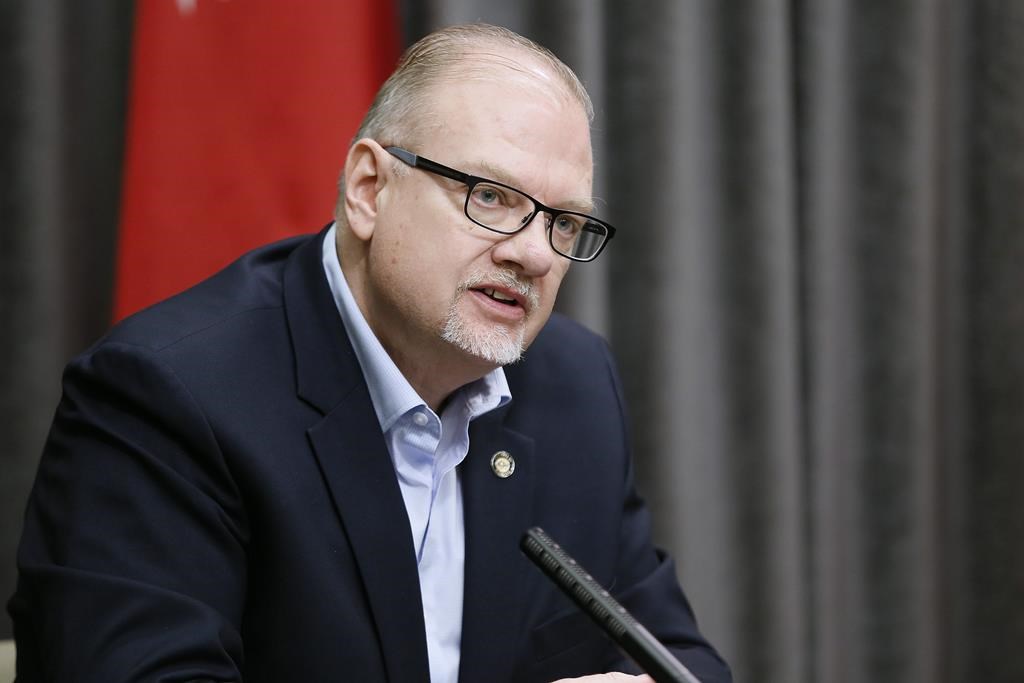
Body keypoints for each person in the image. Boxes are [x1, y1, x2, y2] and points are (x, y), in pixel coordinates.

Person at [8, 23, 732, 683]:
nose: (534, 254)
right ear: (368, 188)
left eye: (565, 221)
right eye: (491, 196)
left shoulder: (573, 386)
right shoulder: (167, 396)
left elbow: (672, 654)